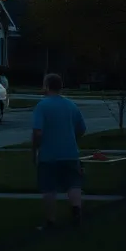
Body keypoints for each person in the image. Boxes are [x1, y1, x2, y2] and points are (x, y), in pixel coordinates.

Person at [31, 73, 87, 228]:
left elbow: (38, 132)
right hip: (70, 153)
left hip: (48, 155)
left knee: (49, 187)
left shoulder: (42, 106)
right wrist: (71, 139)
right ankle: (76, 211)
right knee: (73, 184)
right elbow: (82, 129)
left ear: (47, 86)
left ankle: (50, 220)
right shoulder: (71, 105)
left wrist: (35, 149)